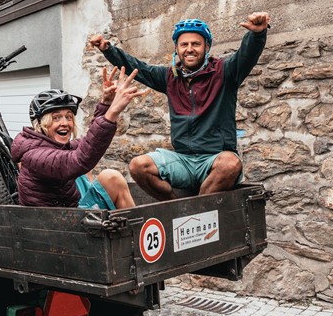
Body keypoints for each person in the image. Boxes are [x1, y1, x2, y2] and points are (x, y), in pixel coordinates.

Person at [88, 13, 270, 201]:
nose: (189, 49)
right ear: (177, 48)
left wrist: (257, 35)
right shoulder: (169, 77)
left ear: (207, 47)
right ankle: (175, 207)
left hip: (214, 159)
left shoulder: (224, 71)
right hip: (182, 160)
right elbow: (138, 68)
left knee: (230, 164)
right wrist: (107, 49)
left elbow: (246, 56)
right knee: (137, 165)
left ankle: (194, 213)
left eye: (196, 44)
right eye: (184, 45)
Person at [10, 67, 149, 210]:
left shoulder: (55, 146)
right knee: (112, 179)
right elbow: (79, 160)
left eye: (69, 117)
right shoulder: (34, 155)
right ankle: (136, 231)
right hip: (54, 224)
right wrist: (113, 111)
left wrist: (106, 104)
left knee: (84, 156)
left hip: (68, 208)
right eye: (56, 118)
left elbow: (90, 142)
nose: (65, 123)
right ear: (39, 124)